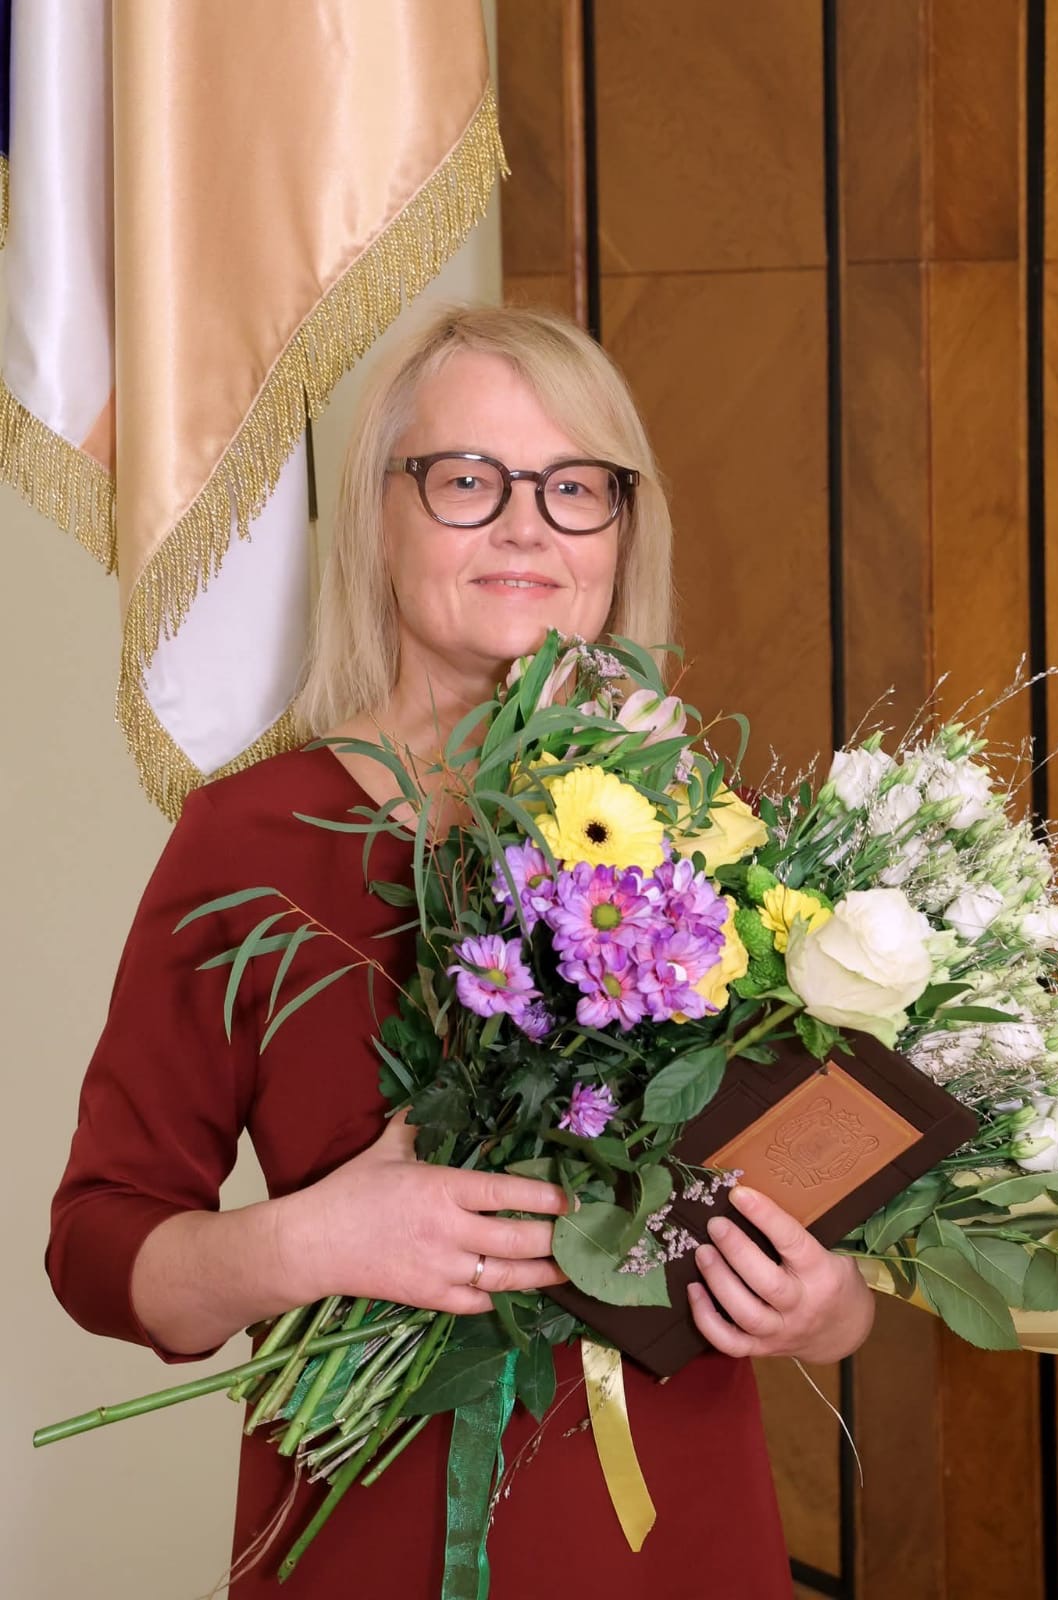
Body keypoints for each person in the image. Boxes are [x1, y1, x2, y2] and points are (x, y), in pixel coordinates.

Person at [47, 304, 875, 1598]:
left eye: (573, 486)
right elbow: (98, 1251)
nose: (528, 526)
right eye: (469, 479)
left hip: (679, 1535)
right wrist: (312, 1243)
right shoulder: (251, 838)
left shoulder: (710, 832)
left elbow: (816, 1203)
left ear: (621, 528)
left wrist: (824, 1307)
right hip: (373, 1545)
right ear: (379, 517)